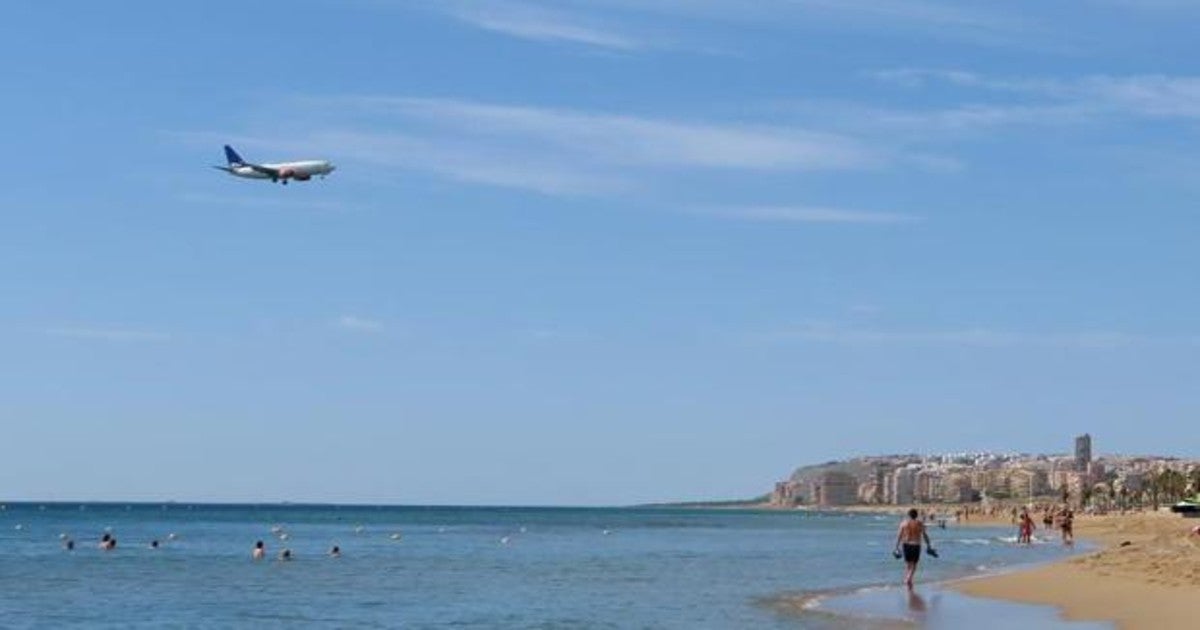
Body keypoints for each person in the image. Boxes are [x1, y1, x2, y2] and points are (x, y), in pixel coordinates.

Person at [894, 508, 936, 588]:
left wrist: (896, 547)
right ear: (916, 515)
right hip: (916, 544)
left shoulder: (903, 523)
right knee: (914, 563)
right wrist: (928, 545)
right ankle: (909, 578)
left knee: (908, 563)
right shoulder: (919, 523)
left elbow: (899, 535)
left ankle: (908, 578)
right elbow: (924, 535)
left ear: (908, 515)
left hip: (906, 544)